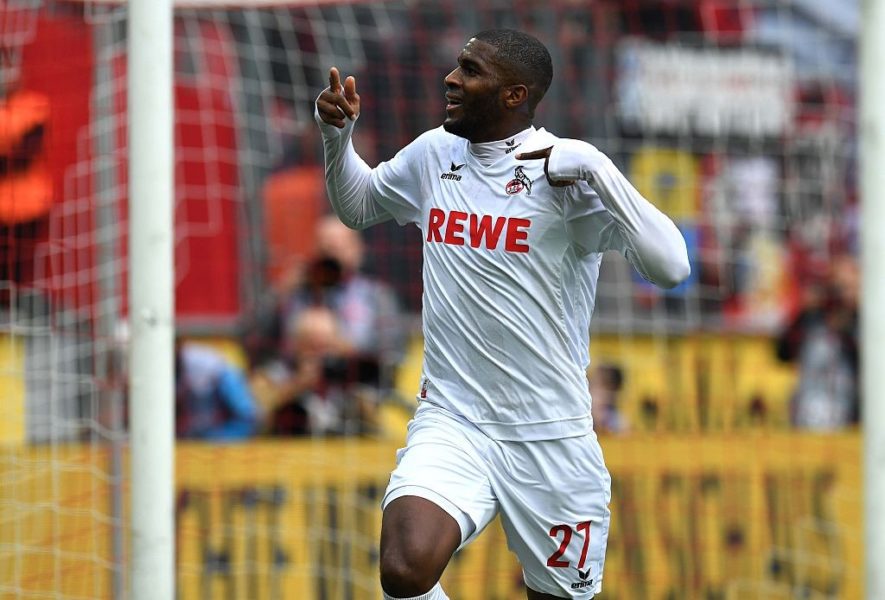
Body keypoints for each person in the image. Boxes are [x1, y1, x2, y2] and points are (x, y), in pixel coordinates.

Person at [315, 29, 689, 600]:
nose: (451, 78)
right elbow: (358, 205)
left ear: (514, 95)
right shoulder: (434, 153)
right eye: (456, 65)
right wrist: (337, 138)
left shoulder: (565, 175)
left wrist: (595, 164)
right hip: (454, 418)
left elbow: (671, 267)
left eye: (470, 70)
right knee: (404, 568)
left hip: (551, 437)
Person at [175, 339, 260, 441]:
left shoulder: (189, 356)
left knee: (246, 414)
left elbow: (204, 388)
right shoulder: (179, 361)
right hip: (214, 388)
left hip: (224, 378)